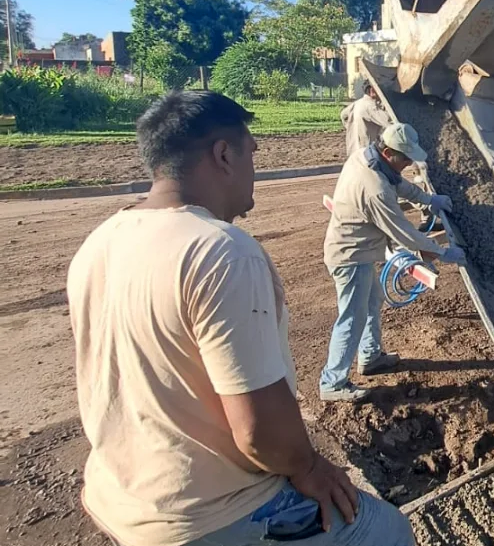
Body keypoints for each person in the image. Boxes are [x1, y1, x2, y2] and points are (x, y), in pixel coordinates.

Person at [67, 91, 414, 546]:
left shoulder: (100, 241)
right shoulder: (221, 251)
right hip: (206, 515)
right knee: (389, 530)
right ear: (224, 155)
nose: (254, 167)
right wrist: (309, 467)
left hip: (118, 494)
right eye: (251, 151)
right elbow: (259, 433)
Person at [321, 122, 465, 402]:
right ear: (388, 152)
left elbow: (399, 184)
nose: (409, 163)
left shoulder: (368, 158)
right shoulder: (374, 189)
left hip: (361, 253)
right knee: (352, 318)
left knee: (371, 303)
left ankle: (370, 357)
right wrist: (441, 252)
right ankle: (332, 382)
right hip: (350, 257)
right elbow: (404, 233)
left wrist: (428, 199)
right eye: (405, 158)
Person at [341, 80, 392, 158]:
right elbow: (389, 123)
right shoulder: (371, 106)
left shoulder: (357, 103)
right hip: (367, 153)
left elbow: (343, 115)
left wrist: (349, 127)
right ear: (372, 90)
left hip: (354, 150)